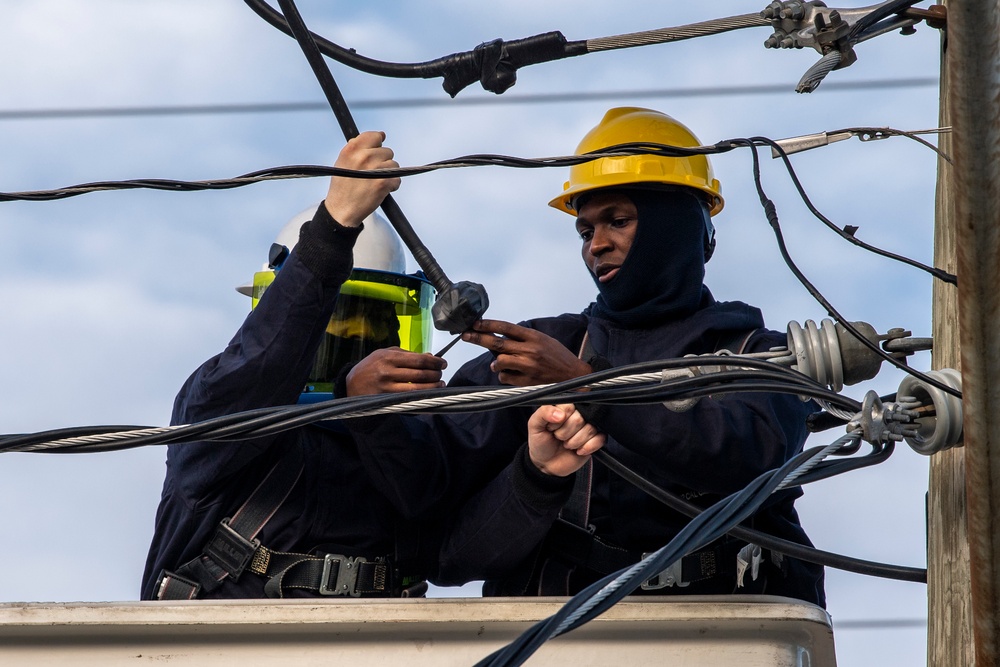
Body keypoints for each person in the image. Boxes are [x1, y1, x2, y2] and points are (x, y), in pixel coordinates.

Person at [140, 131, 605, 600]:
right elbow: (264, 361)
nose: (357, 347)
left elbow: (457, 554)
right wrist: (332, 230)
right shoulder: (219, 404)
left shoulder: (409, 449)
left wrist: (537, 477)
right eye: (336, 322)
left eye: (370, 328)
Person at [397, 107, 825, 606]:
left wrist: (584, 384)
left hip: (723, 633)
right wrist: (372, 409)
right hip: (556, 638)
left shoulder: (755, 354)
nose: (597, 245)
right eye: (584, 231)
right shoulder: (539, 350)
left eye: (618, 221)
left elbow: (748, 456)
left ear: (680, 227)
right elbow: (441, 539)